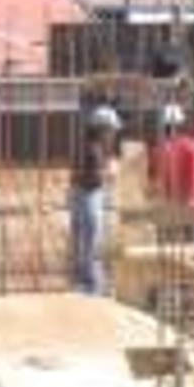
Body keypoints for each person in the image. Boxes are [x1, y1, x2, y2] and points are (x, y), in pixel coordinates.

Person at [70, 105, 121, 295]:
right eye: (111, 131)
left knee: (81, 239)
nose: (113, 135)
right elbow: (92, 177)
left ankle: (81, 281)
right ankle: (92, 285)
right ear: (102, 129)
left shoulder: (89, 145)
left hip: (81, 195)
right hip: (88, 195)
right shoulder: (93, 149)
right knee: (92, 241)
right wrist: (110, 173)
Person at [148, 103, 194, 242]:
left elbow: (154, 178)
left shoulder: (159, 150)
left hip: (170, 202)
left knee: (167, 247)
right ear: (182, 124)